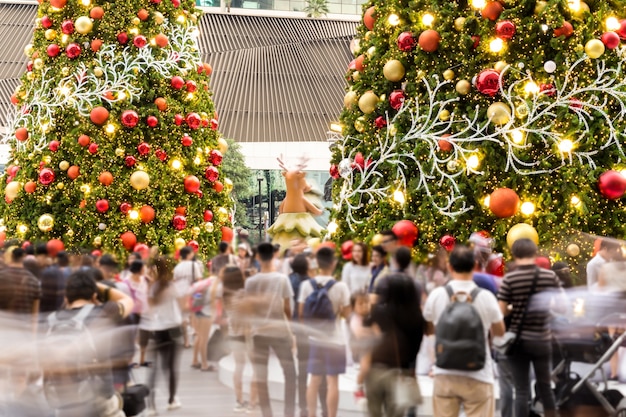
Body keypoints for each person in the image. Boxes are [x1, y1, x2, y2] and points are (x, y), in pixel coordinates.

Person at [424, 245, 505, 417]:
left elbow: (428, 329)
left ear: (449, 267)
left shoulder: (437, 295)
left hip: (444, 372)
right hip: (479, 373)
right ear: (475, 265)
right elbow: (499, 332)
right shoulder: (486, 297)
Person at [41, 269, 134, 417]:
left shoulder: (50, 320)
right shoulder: (104, 313)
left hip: (63, 403)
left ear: (66, 298)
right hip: (99, 400)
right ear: (94, 295)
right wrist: (98, 286)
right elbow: (127, 300)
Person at [497, 238, 562, 417]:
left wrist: (513, 307)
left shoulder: (510, 279)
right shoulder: (550, 276)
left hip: (519, 341)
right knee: (546, 387)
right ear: (534, 253)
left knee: (522, 390)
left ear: (514, 254)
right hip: (542, 339)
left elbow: (501, 311)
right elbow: (562, 305)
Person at [360, 273, 425, 417]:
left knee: (374, 412)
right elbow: (417, 346)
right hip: (401, 371)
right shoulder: (417, 316)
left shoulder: (379, 312)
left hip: (376, 370)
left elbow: (366, 334)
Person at [298, 247, 351, 417]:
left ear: (317, 263)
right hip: (335, 340)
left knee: (313, 380)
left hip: (314, 339)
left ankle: (311, 414)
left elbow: (300, 313)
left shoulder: (306, 285)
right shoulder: (341, 287)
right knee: (332, 381)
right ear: (333, 263)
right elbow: (347, 315)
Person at [245, 242, 296, 417]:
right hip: (280, 332)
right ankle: (289, 413)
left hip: (259, 333)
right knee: (290, 373)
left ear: (257, 257)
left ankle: (267, 413)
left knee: (261, 375)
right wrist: (291, 332)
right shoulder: (282, 279)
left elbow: (248, 310)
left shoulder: (251, 282)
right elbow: (288, 309)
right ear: (274, 255)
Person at [140, 256, 185, 414]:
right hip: (173, 329)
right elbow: (182, 306)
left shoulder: (153, 288)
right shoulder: (172, 286)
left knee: (154, 369)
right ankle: (172, 400)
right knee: (171, 367)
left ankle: (151, 405)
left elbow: (150, 308)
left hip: (157, 329)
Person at [289, 253, 327, 417]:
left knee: (302, 368)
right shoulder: (310, 283)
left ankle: (303, 406)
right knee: (320, 369)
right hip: (311, 328)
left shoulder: (289, 280)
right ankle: (323, 406)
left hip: (298, 328)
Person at [219, 265, 258, 412]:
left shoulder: (225, 295)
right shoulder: (244, 293)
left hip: (234, 333)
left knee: (239, 367)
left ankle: (239, 401)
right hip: (249, 333)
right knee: (256, 368)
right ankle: (252, 403)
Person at [0, 247, 41, 332]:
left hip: (3, 330)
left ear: (11, 256)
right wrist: (33, 338)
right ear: (24, 258)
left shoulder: (1, 277)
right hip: (23, 332)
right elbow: (35, 315)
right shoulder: (33, 281)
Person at [118, 259, 150, 367]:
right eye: (143, 267)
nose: (145, 269)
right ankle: (130, 360)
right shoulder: (126, 282)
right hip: (132, 312)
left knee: (144, 336)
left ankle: (142, 359)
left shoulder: (144, 279)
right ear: (139, 269)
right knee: (131, 336)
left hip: (144, 311)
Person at [189, 270, 218, 372]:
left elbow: (193, 296)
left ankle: (195, 360)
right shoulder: (217, 284)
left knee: (199, 335)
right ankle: (204, 364)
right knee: (204, 338)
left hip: (197, 310)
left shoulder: (203, 283)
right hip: (206, 312)